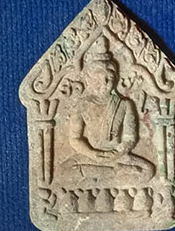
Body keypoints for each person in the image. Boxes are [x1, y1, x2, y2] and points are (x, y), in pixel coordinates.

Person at [58, 36, 154, 184]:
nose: (104, 83)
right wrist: (91, 153)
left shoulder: (124, 104)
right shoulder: (82, 104)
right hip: (90, 156)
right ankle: (115, 173)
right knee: (62, 172)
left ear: (116, 78)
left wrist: (116, 153)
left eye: (109, 78)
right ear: (89, 79)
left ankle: (100, 175)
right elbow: (75, 139)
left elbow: (130, 138)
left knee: (148, 171)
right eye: (98, 78)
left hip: (118, 155)